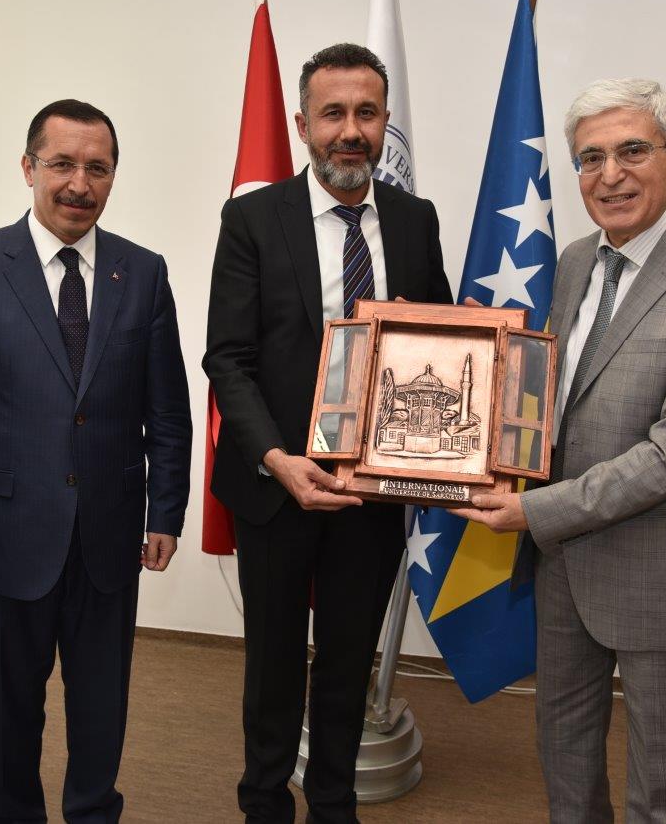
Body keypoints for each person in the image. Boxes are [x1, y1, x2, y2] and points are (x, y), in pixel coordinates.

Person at [451, 79, 666, 822]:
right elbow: (555, 396)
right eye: (591, 158)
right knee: (564, 754)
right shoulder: (574, 261)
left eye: (632, 151)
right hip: (567, 564)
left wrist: (535, 511)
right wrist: (469, 351)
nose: (610, 175)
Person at [0, 98, 191, 823]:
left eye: (97, 168)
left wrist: (166, 510)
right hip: (4, 538)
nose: (79, 183)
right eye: (63, 164)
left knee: (102, 704)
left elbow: (167, 409)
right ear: (28, 167)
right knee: (9, 708)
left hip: (110, 532)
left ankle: (93, 811)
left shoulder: (143, 272)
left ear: (113, 176)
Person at [203, 43, 453, 823]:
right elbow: (228, 357)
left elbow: (447, 341)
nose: (351, 130)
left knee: (347, 662)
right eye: (334, 113)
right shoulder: (252, 218)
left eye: (366, 113)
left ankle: (334, 802)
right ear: (303, 123)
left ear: (385, 122)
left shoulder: (414, 219)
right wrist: (278, 459)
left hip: (374, 488)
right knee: (273, 662)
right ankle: (264, 801)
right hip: (277, 481)